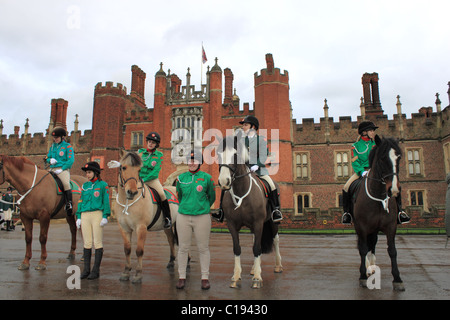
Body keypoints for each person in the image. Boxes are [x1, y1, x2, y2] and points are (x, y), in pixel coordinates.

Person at [213, 115, 282, 223]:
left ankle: (275, 210)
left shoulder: (261, 140)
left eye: (246, 125)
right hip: (243, 171)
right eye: (243, 125)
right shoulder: (240, 141)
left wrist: (257, 165)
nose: (243, 127)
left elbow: (264, 156)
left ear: (253, 127)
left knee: (272, 185)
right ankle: (221, 211)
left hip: (259, 170)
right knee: (226, 186)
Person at [342, 121, 410, 225]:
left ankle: (400, 212)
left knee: (395, 185)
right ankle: (347, 214)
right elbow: (355, 161)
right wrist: (362, 172)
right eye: (371, 130)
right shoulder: (355, 146)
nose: (373, 132)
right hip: (362, 171)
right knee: (346, 187)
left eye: (373, 130)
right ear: (364, 132)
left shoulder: (377, 144)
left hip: (377, 171)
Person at [175, 150, 215, 290]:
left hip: (202, 217)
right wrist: (186, 206)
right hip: (183, 216)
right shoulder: (181, 178)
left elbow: (212, 197)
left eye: (195, 160)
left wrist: (202, 207)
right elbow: (179, 196)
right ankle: (181, 277)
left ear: (200, 162)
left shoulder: (207, 178)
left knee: (203, 248)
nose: (191, 163)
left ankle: (205, 278)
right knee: (183, 248)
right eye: (189, 160)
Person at [75, 161, 111, 280]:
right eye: (87, 173)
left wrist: (105, 215)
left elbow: (106, 200)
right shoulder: (85, 186)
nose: (87, 175)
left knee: (97, 242)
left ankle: (95, 271)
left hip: (97, 214)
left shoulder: (103, 185)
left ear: (96, 172)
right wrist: (79, 216)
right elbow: (80, 201)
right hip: (85, 215)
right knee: (87, 243)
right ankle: (86, 270)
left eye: (89, 172)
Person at [138, 132, 171, 229]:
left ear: (156, 144)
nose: (150, 144)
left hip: (152, 180)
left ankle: (167, 218)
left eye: (153, 142)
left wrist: (144, 179)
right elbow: (131, 163)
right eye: (149, 141)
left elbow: (155, 172)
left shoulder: (159, 155)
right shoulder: (140, 152)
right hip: (138, 179)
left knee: (162, 194)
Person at [46, 127, 75, 216]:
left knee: (66, 184)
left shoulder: (67, 147)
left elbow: (70, 160)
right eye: (54, 138)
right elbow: (47, 157)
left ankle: (69, 204)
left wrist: (62, 169)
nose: (55, 139)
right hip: (51, 169)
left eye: (57, 138)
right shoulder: (52, 147)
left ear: (62, 137)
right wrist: (50, 160)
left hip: (63, 169)